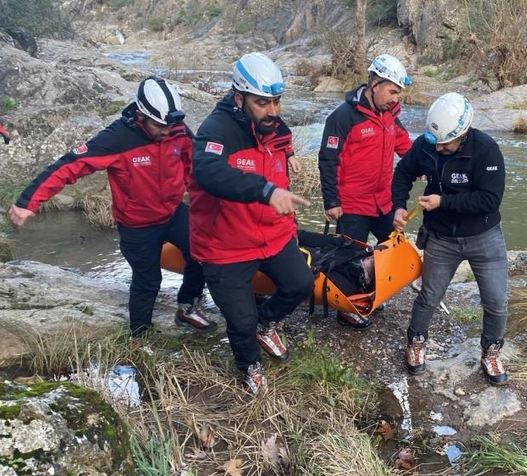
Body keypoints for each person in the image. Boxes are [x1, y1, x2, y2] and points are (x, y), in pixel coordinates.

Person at [7, 77, 216, 338]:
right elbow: (70, 166)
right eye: (160, 126)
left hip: (173, 213)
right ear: (141, 114)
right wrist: (28, 202)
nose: (166, 131)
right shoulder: (117, 139)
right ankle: (140, 335)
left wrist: (205, 200)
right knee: (148, 280)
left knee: (204, 252)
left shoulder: (176, 129)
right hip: (136, 225)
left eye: (171, 125)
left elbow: (193, 164)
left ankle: (187, 306)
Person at [188, 52, 313, 395]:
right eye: (262, 103)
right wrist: (266, 190)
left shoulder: (272, 123)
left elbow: (282, 136)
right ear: (239, 98)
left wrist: (288, 154)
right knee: (240, 321)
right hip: (224, 246)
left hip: (271, 236)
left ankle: (267, 322)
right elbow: (208, 171)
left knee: (301, 284)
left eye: (277, 101)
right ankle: (250, 365)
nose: (272, 111)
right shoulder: (217, 129)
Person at [392, 92, 510, 386]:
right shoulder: (428, 144)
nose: (440, 147)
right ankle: (416, 342)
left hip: (484, 236)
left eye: (446, 143)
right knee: (429, 296)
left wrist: (443, 202)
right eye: (436, 142)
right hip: (442, 237)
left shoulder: (486, 150)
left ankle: (491, 351)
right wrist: (397, 205)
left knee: (496, 301)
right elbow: (403, 173)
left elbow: (489, 200)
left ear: (463, 133)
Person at [317, 53, 413, 330]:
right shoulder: (343, 117)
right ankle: (347, 307)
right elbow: (328, 159)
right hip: (351, 204)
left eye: (398, 93)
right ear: (374, 84)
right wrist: (331, 200)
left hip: (383, 201)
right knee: (349, 256)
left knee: (390, 249)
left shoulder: (391, 116)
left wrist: (421, 165)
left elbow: (406, 147)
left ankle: (373, 292)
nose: (395, 98)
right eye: (392, 91)